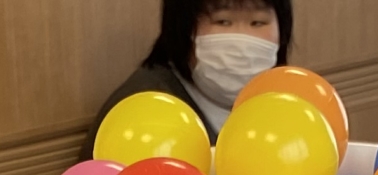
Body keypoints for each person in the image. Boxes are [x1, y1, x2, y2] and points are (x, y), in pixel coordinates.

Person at [87, 0, 289, 148]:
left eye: (258, 22)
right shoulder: (144, 110)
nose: (243, 42)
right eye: (223, 21)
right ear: (183, 28)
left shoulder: (283, 98)